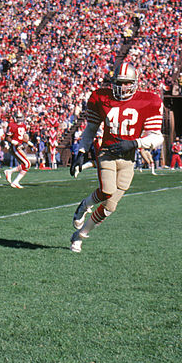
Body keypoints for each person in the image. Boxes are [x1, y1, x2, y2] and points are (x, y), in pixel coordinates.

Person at [68, 61, 164, 253]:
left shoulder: (149, 100)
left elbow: (157, 136)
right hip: (108, 152)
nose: (122, 87)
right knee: (107, 190)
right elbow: (91, 129)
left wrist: (135, 143)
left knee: (110, 206)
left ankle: (79, 236)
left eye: (127, 82)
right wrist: (80, 151)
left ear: (135, 82)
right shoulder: (100, 97)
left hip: (128, 157)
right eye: (118, 82)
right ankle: (84, 205)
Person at [3, 116, 31, 189]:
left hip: (19, 146)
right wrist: (12, 141)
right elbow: (7, 137)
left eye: (21, 117)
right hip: (15, 147)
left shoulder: (24, 125)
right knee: (27, 164)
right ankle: (10, 173)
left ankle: (15, 181)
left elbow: (21, 137)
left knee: (26, 165)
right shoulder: (12, 125)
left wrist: (28, 142)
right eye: (18, 117)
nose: (19, 119)